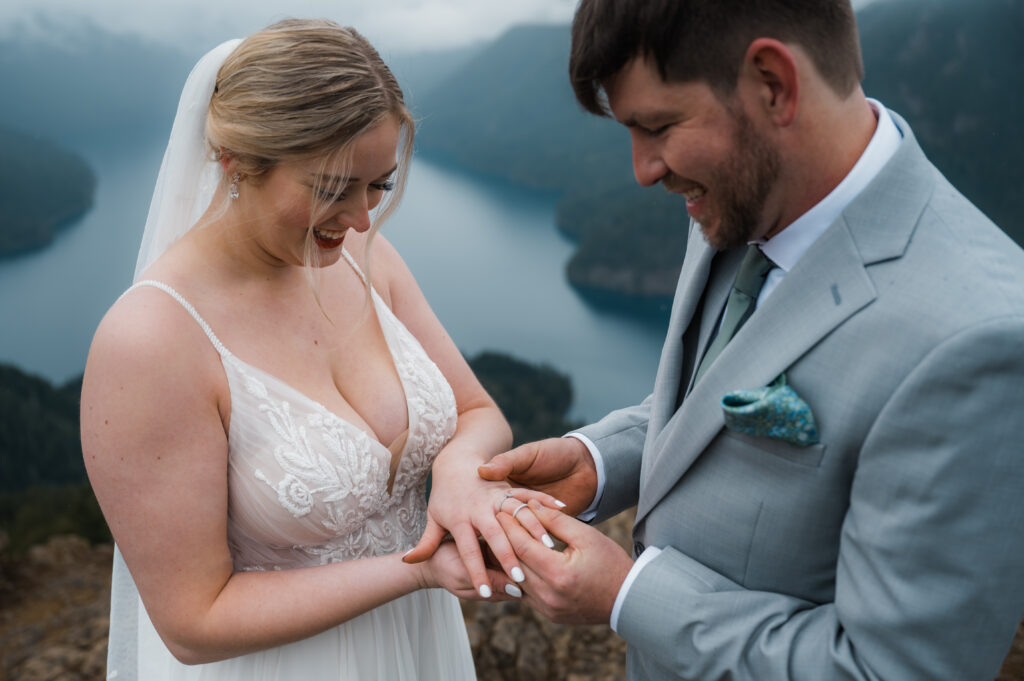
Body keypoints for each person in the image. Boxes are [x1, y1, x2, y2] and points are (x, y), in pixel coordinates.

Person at [477, 1, 1024, 679]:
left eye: (658, 127)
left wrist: (628, 595)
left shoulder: (981, 339)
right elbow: (720, 390)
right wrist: (599, 462)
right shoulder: (739, 193)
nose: (644, 169)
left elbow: (892, 669)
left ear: (772, 84)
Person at [81, 19, 557, 680]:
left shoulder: (365, 258)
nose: (363, 218)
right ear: (237, 161)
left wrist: (456, 474)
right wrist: (416, 571)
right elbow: (193, 620)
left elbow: (478, 412)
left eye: (380, 185)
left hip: (418, 650)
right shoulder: (152, 340)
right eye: (334, 189)